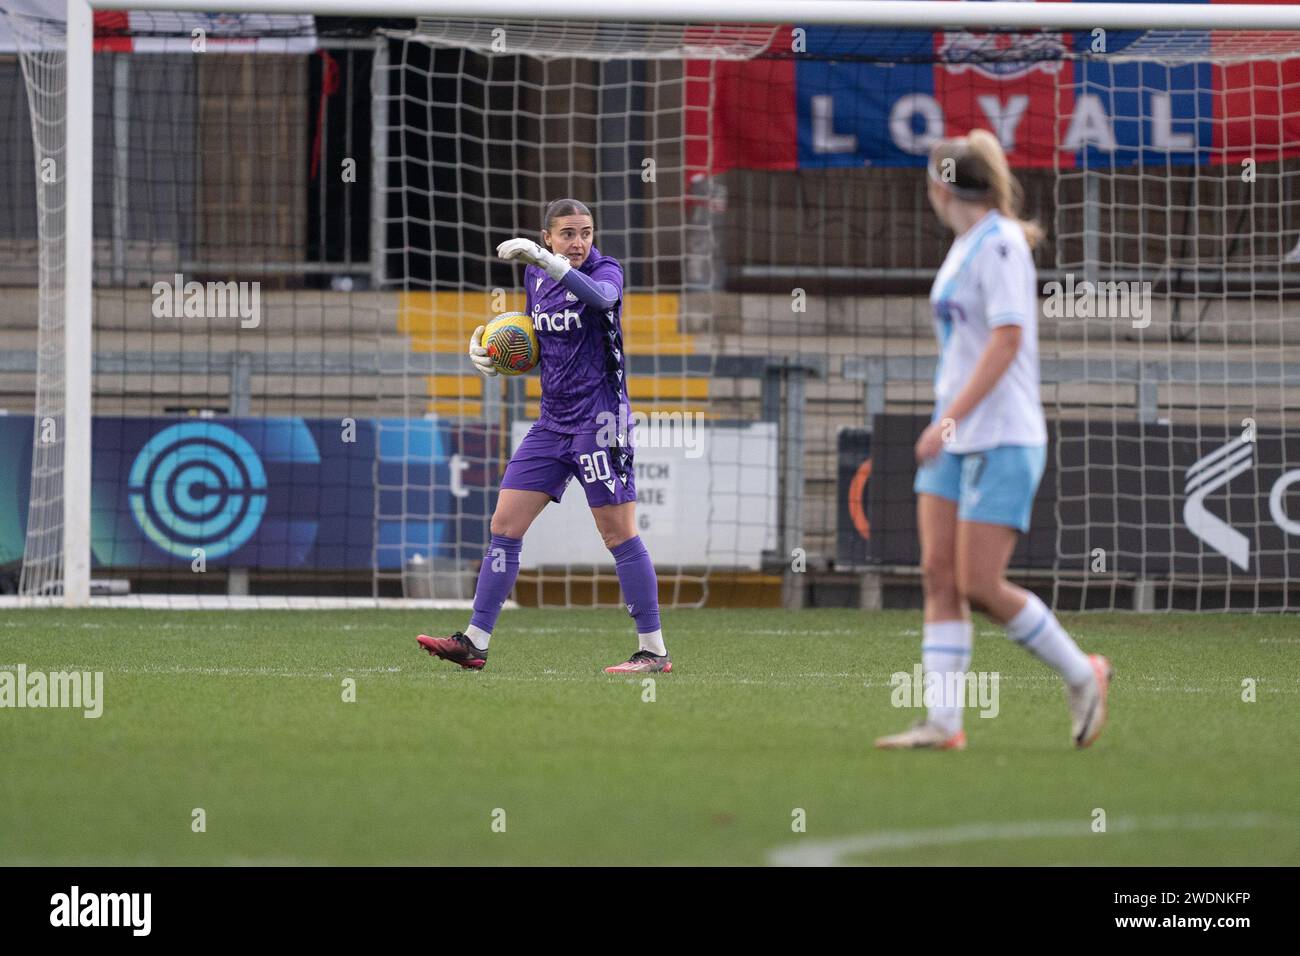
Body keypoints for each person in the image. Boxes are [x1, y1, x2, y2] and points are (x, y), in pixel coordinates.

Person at [875, 130, 1111, 750]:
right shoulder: (965, 245)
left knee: (980, 583)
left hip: (1000, 434)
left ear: (942, 185)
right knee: (937, 574)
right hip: (955, 435)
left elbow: (1006, 342)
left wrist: (948, 418)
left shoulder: (1001, 245)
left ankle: (1082, 673)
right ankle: (943, 724)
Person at [418, 198, 671, 674]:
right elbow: (546, 345)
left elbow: (602, 300)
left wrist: (548, 261)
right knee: (504, 526)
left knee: (617, 533)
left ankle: (654, 650)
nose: (579, 243)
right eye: (568, 234)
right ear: (548, 234)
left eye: (586, 232)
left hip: (600, 424)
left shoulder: (604, 269)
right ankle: (474, 641)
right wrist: (501, 357)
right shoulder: (534, 278)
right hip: (551, 423)